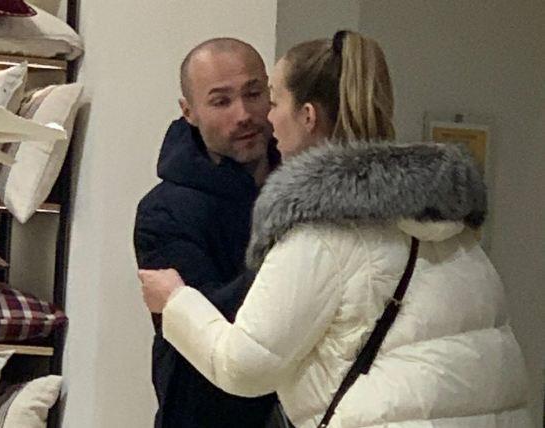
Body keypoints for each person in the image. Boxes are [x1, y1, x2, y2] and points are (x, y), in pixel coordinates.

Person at [139, 31, 532, 427]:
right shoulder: (445, 218)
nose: (255, 115)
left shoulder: (317, 229)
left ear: (307, 116)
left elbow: (244, 363)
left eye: (265, 98)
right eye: (221, 101)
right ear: (188, 111)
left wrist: (174, 302)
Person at [133, 38, 279, 427]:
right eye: (221, 101)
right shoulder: (163, 212)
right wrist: (297, 259)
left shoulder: (307, 184)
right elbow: (207, 323)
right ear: (189, 112)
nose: (244, 114)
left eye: (254, 94)